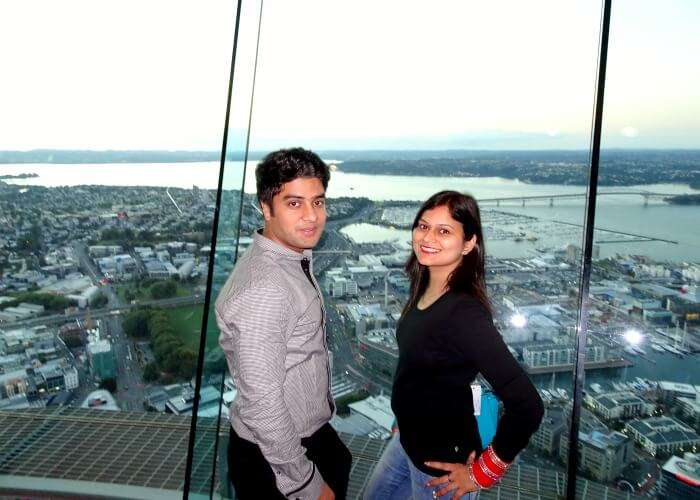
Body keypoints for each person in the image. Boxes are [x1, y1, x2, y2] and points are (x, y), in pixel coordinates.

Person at [364, 190, 544, 500]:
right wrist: (401, 419)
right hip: (406, 441)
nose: (427, 237)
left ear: (469, 243)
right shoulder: (424, 286)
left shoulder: (464, 313)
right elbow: (417, 370)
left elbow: (527, 405)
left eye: (444, 231)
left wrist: (482, 473)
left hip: (442, 468)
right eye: (423, 226)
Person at [215, 148, 351, 500]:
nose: (311, 217)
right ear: (266, 206)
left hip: (302, 438)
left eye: (318, 202)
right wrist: (305, 484)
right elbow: (263, 404)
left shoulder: (290, 259)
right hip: (277, 461)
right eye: (294, 204)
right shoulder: (266, 290)